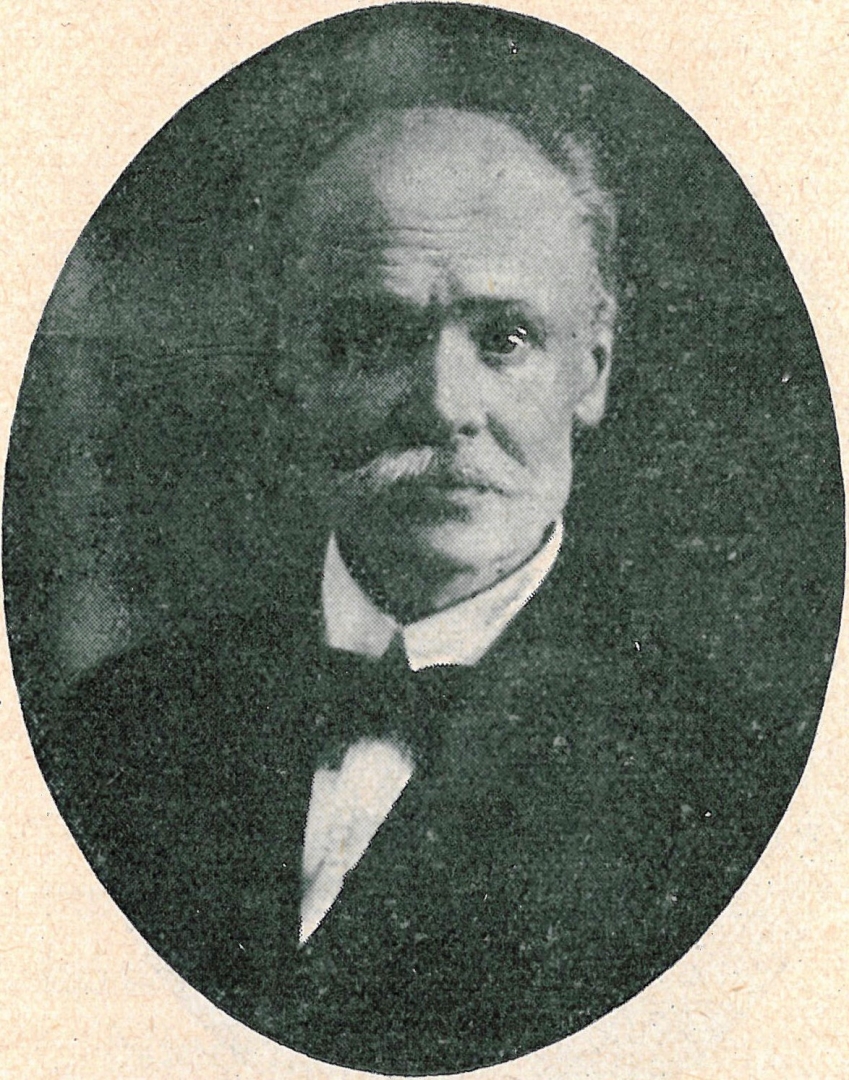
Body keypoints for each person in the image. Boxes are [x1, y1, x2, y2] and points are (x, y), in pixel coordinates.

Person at [43, 107, 789, 1073]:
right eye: (376, 335)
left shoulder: (730, 791)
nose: (444, 406)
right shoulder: (115, 736)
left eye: (506, 338)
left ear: (591, 369)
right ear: (290, 365)